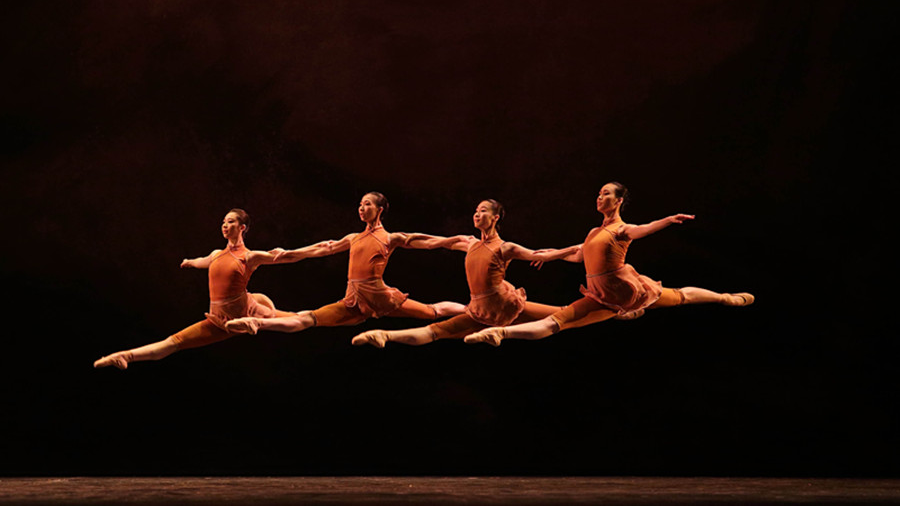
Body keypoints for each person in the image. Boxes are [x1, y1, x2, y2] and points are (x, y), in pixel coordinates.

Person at [464, 182, 754, 346]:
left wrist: (667, 220)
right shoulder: (594, 233)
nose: (599, 197)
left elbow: (643, 229)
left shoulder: (621, 229)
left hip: (621, 288)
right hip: (600, 293)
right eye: (599, 193)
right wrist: (549, 254)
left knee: (681, 296)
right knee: (558, 322)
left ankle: (725, 298)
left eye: (605, 193)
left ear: (618, 201)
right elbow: (578, 255)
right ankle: (499, 333)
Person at [94, 209, 329, 369]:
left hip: (246, 312)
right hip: (218, 320)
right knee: (172, 342)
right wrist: (189, 262)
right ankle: (124, 356)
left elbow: (290, 257)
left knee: (298, 319)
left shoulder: (249, 257)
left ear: (242, 227)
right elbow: (203, 261)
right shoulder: (217, 254)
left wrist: (320, 248)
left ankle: (327, 315)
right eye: (224, 222)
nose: (225, 225)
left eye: (231, 222)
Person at [350, 199, 588, 347]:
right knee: (436, 332)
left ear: (495, 218)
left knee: (563, 315)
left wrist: (575, 250)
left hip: (503, 303)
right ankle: (383, 335)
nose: (476, 214)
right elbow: (435, 242)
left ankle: (613, 311)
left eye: (483, 211)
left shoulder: (505, 247)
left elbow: (540, 255)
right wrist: (400, 239)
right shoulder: (468, 243)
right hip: (479, 309)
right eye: (476, 210)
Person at [223, 192, 466, 335]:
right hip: (353, 299)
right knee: (307, 319)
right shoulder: (353, 238)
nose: (361, 208)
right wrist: (288, 252)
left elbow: (428, 241)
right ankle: (257, 322)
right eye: (360, 205)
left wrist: (458, 240)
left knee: (432, 311)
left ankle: (471, 310)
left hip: (379, 295)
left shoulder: (390, 238)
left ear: (380, 210)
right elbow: (322, 248)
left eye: (367, 204)